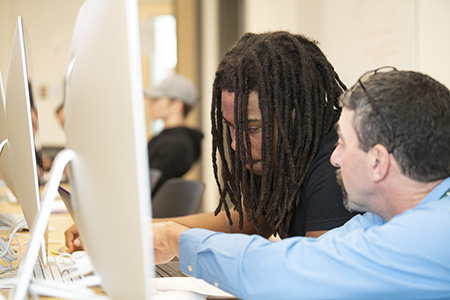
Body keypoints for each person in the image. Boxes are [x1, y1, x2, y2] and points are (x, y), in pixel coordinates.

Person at [153, 67, 450, 299]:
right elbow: (299, 258)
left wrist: (174, 239)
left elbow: (289, 274)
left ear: (378, 162)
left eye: (343, 144)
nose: (334, 158)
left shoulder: (430, 233)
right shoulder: (380, 221)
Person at [65, 31, 355, 250]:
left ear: (295, 113)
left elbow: (317, 278)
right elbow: (243, 224)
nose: (234, 146)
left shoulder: (336, 165)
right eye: (229, 127)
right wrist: (126, 230)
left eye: (252, 128)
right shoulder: (284, 155)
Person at [144, 74, 203, 195]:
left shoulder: (176, 145)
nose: (150, 104)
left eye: (157, 99)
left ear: (176, 105)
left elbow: (146, 188)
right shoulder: (165, 139)